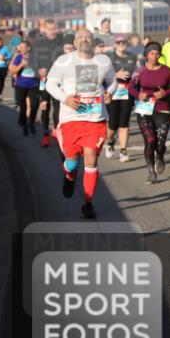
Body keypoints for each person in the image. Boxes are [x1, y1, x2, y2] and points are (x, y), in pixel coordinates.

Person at [45, 28, 117, 219]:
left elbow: (112, 81)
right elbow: (49, 84)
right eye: (80, 37)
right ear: (75, 42)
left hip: (95, 118)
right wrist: (65, 98)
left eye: (87, 37)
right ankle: (69, 176)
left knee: (91, 156)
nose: (84, 40)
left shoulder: (103, 61)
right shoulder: (63, 61)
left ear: (93, 41)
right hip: (71, 118)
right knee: (71, 160)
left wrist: (110, 92)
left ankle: (88, 202)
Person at [128, 42, 170, 183]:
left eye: (157, 53)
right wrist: (138, 95)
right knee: (150, 141)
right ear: (146, 55)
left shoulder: (166, 71)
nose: (154, 56)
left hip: (162, 107)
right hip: (144, 109)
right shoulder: (139, 71)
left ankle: (160, 157)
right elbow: (131, 87)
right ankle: (151, 171)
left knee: (161, 142)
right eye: (152, 53)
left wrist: (164, 93)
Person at [30, 19, 65, 148]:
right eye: (49, 29)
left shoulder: (61, 42)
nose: (51, 32)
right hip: (43, 79)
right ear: (44, 30)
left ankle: (56, 130)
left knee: (58, 106)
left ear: (57, 28)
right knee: (44, 106)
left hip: (58, 79)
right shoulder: (38, 43)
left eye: (53, 29)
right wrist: (38, 70)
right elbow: (32, 60)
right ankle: (45, 134)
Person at [104, 35, 138, 162]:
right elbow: (103, 74)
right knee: (113, 124)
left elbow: (136, 70)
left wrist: (136, 75)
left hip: (126, 92)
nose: (121, 44)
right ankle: (111, 141)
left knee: (124, 122)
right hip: (112, 92)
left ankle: (123, 151)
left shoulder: (132, 57)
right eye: (118, 43)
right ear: (114, 44)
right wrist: (116, 75)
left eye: (124, 42)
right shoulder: (109, 57)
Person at [8, 40, 40, 135]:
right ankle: (25, 126)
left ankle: (31, 122)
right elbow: (12, 72)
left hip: (34, 85)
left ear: (28, 48)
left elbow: (42, 71)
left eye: (23, 47)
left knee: (34, 105)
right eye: (20, 47)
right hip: (20, 85)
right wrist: (21, 65)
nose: (20, 49)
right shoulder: (18, 57)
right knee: (23, 107)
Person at [0, 36, 11, 101]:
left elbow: (9, 56)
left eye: (0, 42)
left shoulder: (5, 48)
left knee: (2, 81)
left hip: (4, 67)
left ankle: (0, 93)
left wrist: (5, 57)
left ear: (2, 42)